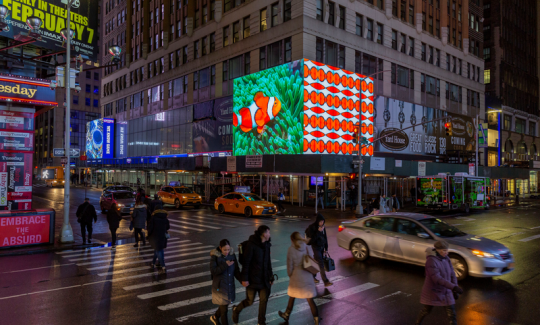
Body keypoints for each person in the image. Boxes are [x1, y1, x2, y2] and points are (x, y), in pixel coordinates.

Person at [232, 225, 274, 325]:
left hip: (264, 279)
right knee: (249, 301)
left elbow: (268, 263)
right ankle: (236, 310)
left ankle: (261, 322)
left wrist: (271, 277)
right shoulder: (252, 245)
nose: (269, 234)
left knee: (264, 300)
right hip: (252, 279)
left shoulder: (267, 245)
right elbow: (246, 263)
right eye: (268, 232)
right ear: (264, 234)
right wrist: (244, 279)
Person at [415, 241, 462, 325]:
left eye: (447, 250)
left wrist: (455, 288)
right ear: (438, 250)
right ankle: (417, 323)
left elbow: (452, 274)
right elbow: (437, 279)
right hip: (433, 291)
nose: (446, 252)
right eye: (444, 250)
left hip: (446, 290)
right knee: (426, 310)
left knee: (452, 314)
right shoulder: (431, 261)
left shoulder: (447, 259)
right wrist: (453, 287)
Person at [278, 232, 320, 324]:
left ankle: (287, 314)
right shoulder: (305, 246)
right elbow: (310, 257)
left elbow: (290, 266)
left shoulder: (291, 249)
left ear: (292, 240)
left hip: (297, 276)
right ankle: (316, 319)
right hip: (307, 275)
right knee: (309, 299)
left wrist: (290, 275)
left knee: (292, 296)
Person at [209, 239, 241, 325]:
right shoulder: (215, 256)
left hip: (229, 286)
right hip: (220, 288)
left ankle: (215, 317)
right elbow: (213, 271)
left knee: (225, 305)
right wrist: (225, 265)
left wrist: (242, 280)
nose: (227, 252)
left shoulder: (232, 255)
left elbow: (236, 270)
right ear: (220, 248)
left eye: (228, 249)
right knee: (224, 310)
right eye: (224, 250)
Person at [306, 213, 333, 287]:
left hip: (322, 248)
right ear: (317, 221)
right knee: (321, 264)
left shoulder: (323, 228)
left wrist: (326, 248)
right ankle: (326, 281)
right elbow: (312, 240)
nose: (322, 223)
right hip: (316, 248)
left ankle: (312, 277)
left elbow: (325, 238)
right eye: (320, 221)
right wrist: (318, 231)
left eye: (323, 221)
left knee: (316, 264)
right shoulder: (313, 228)